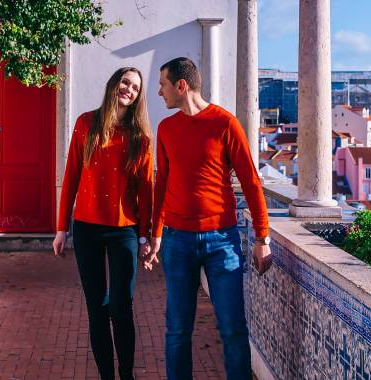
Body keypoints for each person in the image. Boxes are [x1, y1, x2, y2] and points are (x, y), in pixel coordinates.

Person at [144, 56, 271, 380]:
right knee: (177, 331)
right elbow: (162, 184)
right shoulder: (166, 128)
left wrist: (262, 238)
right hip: (176, 241)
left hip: (222, 240)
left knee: (232, 330)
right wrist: (155, 234)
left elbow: (251, 181)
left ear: (181, 85)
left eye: (162, 84)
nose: (160, 92)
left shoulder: (225, 123)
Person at [53, 67, 154, 380]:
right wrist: (61, 228)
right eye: (125, 82)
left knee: (121, 307)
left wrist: (148, 235)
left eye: (135, 88)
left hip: (124, 229)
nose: (129, 90)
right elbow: (71, 176)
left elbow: (147, 191)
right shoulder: (86, 123)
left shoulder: (140, 137)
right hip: (86, 228)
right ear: (114, 83)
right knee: (96, 309)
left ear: (138, 97)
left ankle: (126, 375)